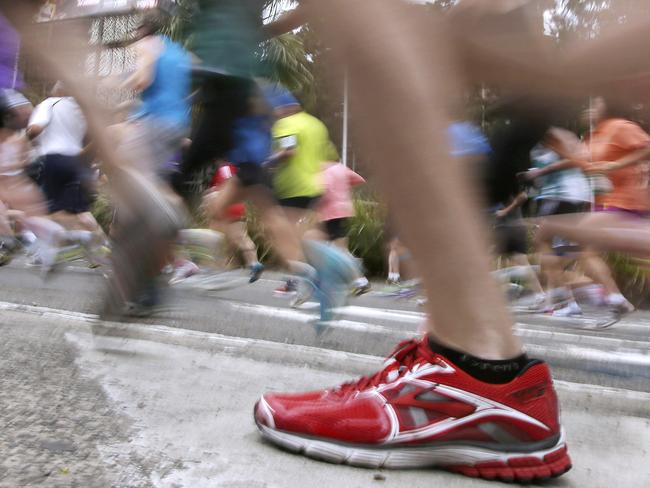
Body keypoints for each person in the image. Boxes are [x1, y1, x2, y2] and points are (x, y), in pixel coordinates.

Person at [319, 161, 370, 295]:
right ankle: (353, 278)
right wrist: (343, 187)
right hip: (345, 211)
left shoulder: (323, 171)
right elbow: (360, 179)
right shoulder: (341, 168)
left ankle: (359, 280)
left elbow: (322, 190)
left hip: (331, 213)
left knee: (335, 249)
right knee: (338, 248)